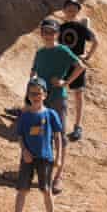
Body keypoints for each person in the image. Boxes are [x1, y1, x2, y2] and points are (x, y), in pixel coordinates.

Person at [31, 18, 85, 194]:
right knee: (38, 133)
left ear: (57, 34)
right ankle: (37, 171)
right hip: (41, 98)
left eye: (52, 32)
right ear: (41, 33)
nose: (48, 35)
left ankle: (58, 177)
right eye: (45, 31)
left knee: (59, 136)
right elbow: (34, 73)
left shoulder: (63, 50)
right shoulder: (39, 53)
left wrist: (65, 82)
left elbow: (80, 66)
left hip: (57, 98)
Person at [10, 77, 64, 212]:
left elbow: (57, 136)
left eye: (39, 93)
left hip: (45, 157)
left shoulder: (51, 114)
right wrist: (24, 151)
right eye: (32, 93)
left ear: (45, 95)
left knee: (46, 190)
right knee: (22, 189)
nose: (36, 96)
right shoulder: (25, 116)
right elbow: (20, 136)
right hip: (28, 157)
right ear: (28, 95)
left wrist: (59, 157)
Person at [51, 0, 99, 142]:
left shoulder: (81, 27)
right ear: (64, 11)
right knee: (53, 90)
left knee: (78, 94)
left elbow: (96, 42)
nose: (71, 12)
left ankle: (78, 127)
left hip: (76, 63)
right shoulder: (60, 27)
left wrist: (88, 56)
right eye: (69, 10)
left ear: (78, 11)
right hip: (63, 63)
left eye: (74, 10)